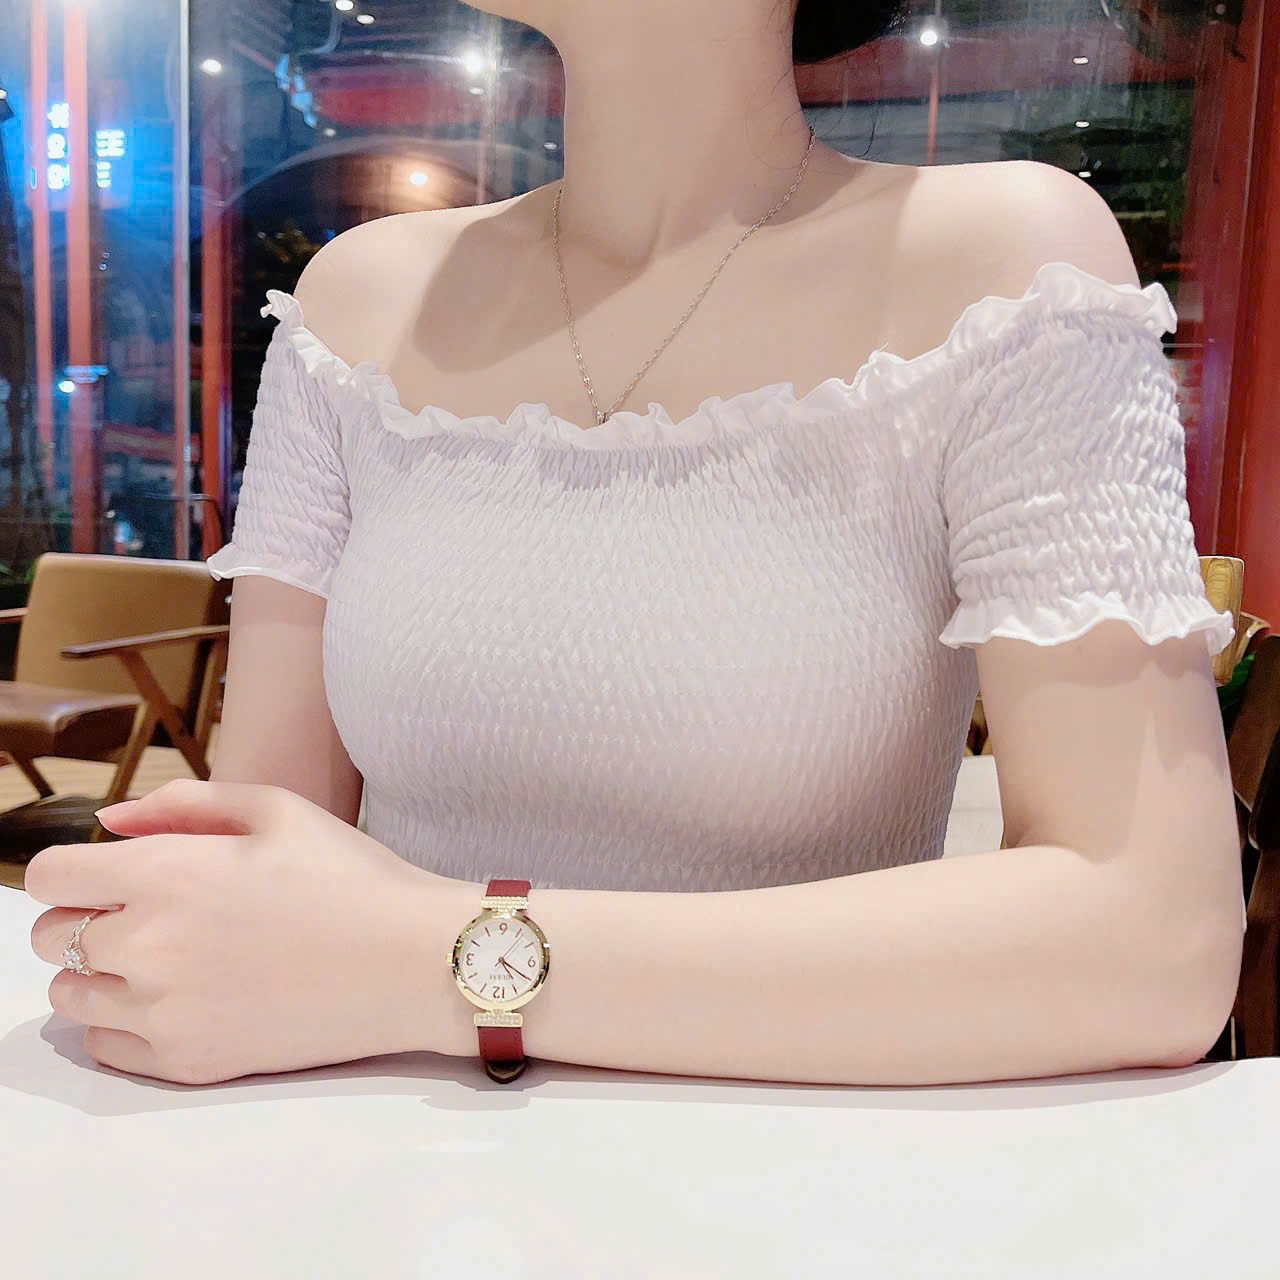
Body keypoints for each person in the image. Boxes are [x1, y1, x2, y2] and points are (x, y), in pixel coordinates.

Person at [26, 0, 1244, 1088]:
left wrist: (431, 959)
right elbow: (255, 882)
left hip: (793, 1187)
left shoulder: (1003, 268)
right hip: (394, 1178)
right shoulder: (354, 307)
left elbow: (1151, 941)